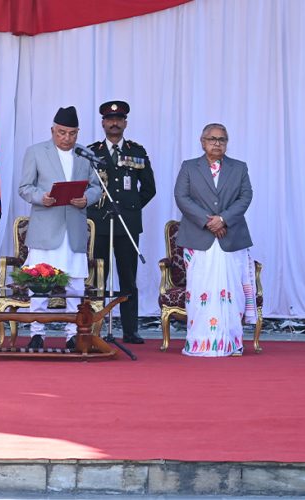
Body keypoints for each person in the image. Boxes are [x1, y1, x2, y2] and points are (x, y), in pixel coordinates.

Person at [17, 106, 101, 350]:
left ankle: (73, 334)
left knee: (75, 284)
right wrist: (41, 196)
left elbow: (95, 187)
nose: (67, 138)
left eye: (72, 133)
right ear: (52, 130)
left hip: (73, 228)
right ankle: (37, 333)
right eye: (62, 133)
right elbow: (24, 187)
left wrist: (87, 199)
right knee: (40, 283)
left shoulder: (85, 155)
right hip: (46, 227)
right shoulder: (36, 152)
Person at [173, 123, 257, 357]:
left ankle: (232, 342)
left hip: (231, 238)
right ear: (202, 142)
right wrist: (208, 221)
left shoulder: (239, 168)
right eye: (212, 139)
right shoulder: (189, 167)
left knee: (232, 292)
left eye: (222, 139)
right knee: (201, 290)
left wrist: (224, 219)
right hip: (199, 238)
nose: (217, 143)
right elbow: (181, 196)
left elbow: (245, 196)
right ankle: (200, 342)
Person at [86, 100, 156, 345]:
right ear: (103, 123)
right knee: (97, 279)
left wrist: (131, 208)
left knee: (128, 278)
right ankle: (93, 328)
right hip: (99, 223)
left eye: (119, 119)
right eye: (109, 119)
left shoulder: (136, 151)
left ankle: (129, 330)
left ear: (125, 123)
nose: (114, 123)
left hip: (127, 225)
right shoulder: (90, 151)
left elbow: (149, 188)